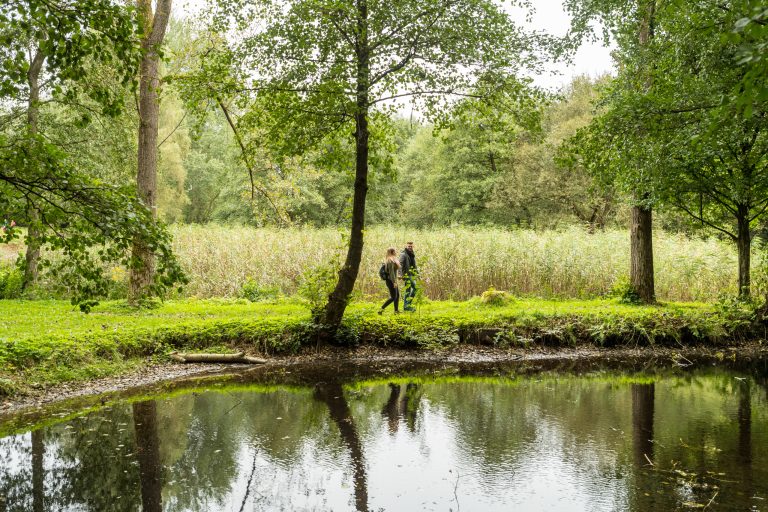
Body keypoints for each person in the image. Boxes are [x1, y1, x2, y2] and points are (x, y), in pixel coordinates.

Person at [379, 247, 400, 314]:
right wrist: (394, 282)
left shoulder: (393, 260)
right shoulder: (390, 261)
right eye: (394, 251)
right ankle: (381, 309)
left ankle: (396, 311)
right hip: (390, 280)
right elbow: (391, 273)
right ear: (392, 252)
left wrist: (397, 278)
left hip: (393, 280)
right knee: (393, 297)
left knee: (397, 296)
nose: (396, 252)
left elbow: (394, 271)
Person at [399, 241, 419, 312]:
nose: (410, 247)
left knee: (408, 291)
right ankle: (407, 305)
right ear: (406, 246)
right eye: (409, 246)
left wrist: (417, 274)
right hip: (407, 275)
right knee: (416, 288)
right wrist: (400, 274)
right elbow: (400, 265)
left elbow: (414, 265)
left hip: (411, 274)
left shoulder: (411, 254)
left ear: (413, 246)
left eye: (411, 246)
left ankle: (406, 307)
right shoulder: (403, 254)